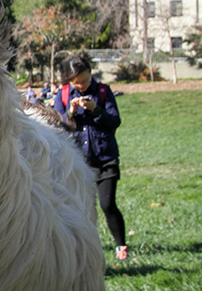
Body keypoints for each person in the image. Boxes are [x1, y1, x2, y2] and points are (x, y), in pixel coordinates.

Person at [53, 54, 128, 261]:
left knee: (107, 204)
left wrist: (96, 110)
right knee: (82, 208)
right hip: (78, 161)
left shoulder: (103, 91)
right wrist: (71, 112)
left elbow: (114, 121)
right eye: (78, 82)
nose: (83, 85)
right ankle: (86, 248)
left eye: (86, 80)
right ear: (69, 80)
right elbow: (59, 126)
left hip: (105, 158)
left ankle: (121, 245)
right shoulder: (64, 93)